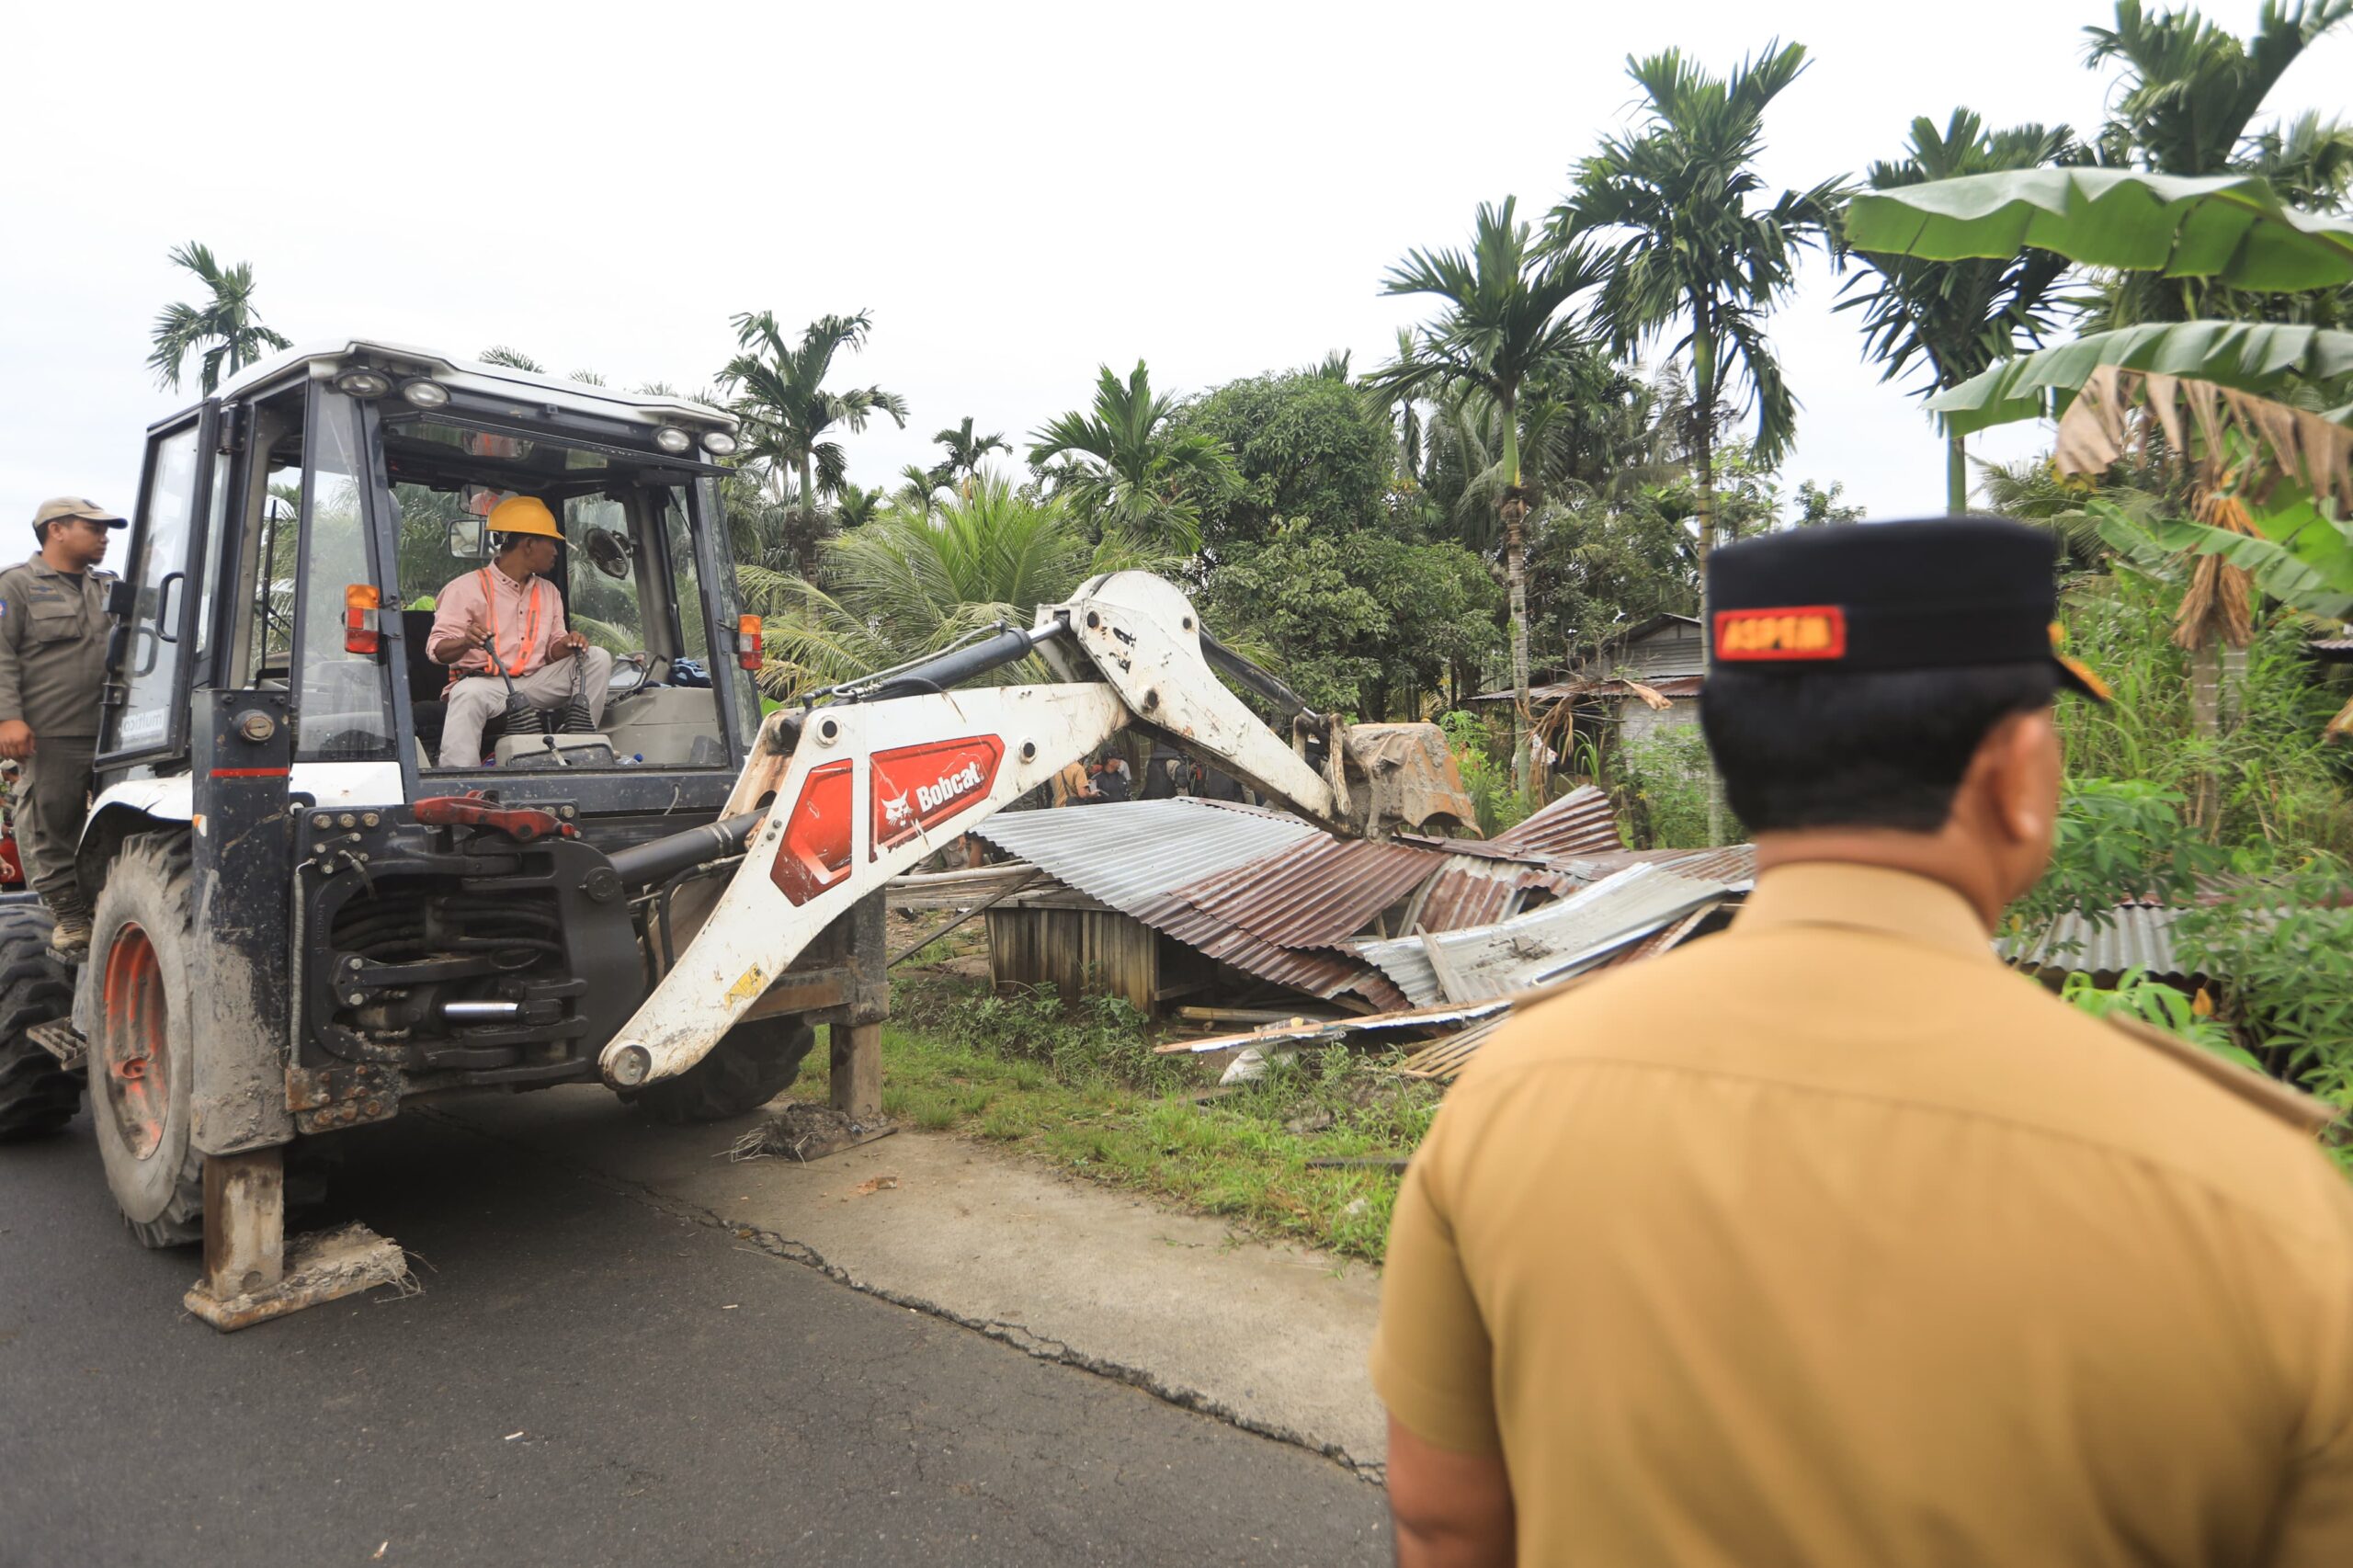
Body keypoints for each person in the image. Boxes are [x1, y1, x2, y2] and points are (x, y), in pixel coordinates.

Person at [1373, 517, 2353, 1567]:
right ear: (2016, 775)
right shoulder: (2254, 1192)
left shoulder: (1514, 1091)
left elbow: (1443, 1518)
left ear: (1737, 758)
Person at [0, 498, 126, 955]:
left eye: (106, 530)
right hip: (52, 730)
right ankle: (70, 917)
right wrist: (8, 717)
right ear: (56, 530)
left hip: (121, 731)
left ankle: (115, 903)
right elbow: (1, 655)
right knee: (51, 821)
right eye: (94, 528)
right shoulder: (16, 585)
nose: (104, 537)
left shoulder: (109, 586)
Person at [428, 495, 613, 767]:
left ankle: (581, 748)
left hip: (537, 682)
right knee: (466, 694)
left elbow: (553, 650)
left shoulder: (549, 592)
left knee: (597, 657)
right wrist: (466, 641)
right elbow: (437, 650)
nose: (555, 552)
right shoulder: (463, 589)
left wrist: (569, 643)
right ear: (528, 544)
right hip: (487, 685)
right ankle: (461, 780)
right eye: (551, 543)